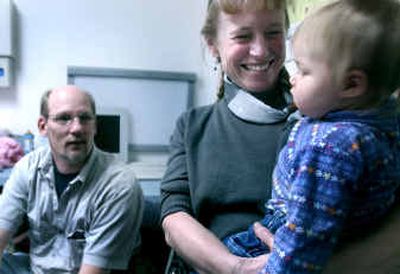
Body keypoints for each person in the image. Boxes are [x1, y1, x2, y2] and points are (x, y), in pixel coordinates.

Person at [223, 0, 400, 272]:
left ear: (351, 84)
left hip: (288, 241)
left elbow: (305, 236)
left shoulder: (329, 147)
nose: (293, 78)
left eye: (304, 71)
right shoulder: (384, 124)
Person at [160, 0, 299, 273]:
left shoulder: (319, 123)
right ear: (213, 45)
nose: (260, 51)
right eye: (243, 36)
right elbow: (173, 216)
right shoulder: (192, 126)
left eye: (272, 33)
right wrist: (235, 267)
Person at [0, 85, 144, 274]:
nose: (77, 128)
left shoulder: (119, 184)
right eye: (64, 118)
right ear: (43, 126)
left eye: (85, 118)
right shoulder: (27, 169)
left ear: (95, 126)